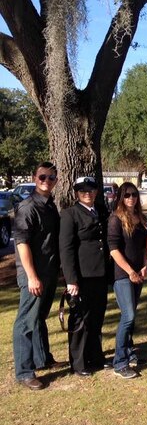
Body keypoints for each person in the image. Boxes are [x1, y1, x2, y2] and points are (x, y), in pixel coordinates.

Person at [12, 162, 62, 390]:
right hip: (33, 274)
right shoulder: (27, 207)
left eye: (51, 178)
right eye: (43, 176)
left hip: (49, 272)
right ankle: (24, 371)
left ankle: (43, 359)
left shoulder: (50, 205)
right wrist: (31, 276)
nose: (46, 181)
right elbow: (22, 244)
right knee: (26, 322)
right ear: (35, 177)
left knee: (40, 316)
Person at [59, 176, 110, 377]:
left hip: (100, 273)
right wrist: (71, 279)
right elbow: (66, 249)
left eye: (90, 190)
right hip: (82, 276)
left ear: (96, 192)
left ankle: (95, 357)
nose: (87, 193)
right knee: (80, 320)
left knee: (97, 317)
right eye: (82, 191)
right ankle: (78, 363)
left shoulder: (101, 211)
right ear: (76, 193)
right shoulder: (70, 214)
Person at [108, 182, 147, 379]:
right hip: (123, 275)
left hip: (138, 273)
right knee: (128, 316)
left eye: (134, 194)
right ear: (121, 198)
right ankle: (120, 362)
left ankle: (129, 352)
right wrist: (130, 271)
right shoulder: (116, 219)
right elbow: (114, 250)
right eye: (127, 195)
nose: (131, 198)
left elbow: (143, 247)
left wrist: (144, 265)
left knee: (131, 317)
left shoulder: (140, 218)